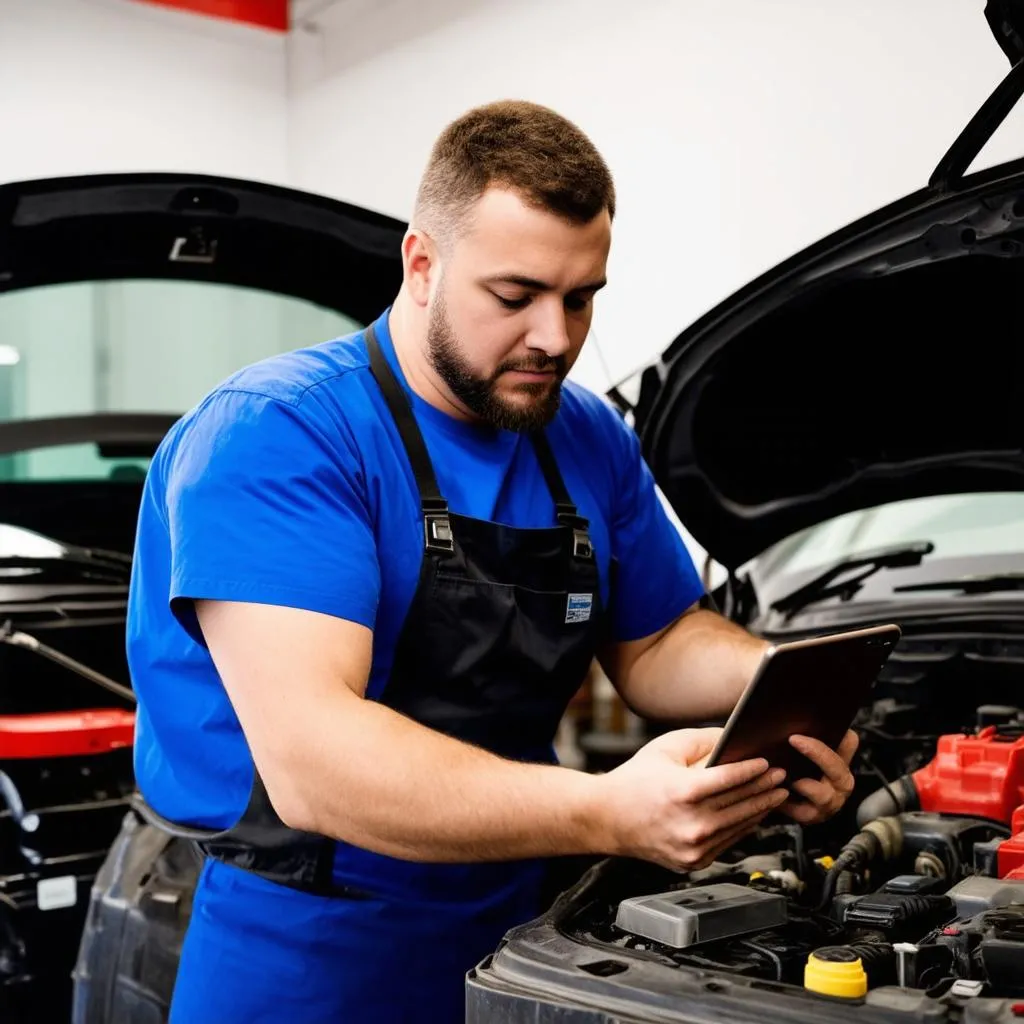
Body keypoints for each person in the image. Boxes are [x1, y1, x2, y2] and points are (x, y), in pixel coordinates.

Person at [127, 99, 858, 1023]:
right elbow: (317, 762)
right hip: (308, 953)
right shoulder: (281, 434)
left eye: (582, 297)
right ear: (422, 264)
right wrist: (607, 810)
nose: (555, 337)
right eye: (515, 297)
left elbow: (660, 639)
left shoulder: (584, 433)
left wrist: (784, 696)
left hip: (530, 939)